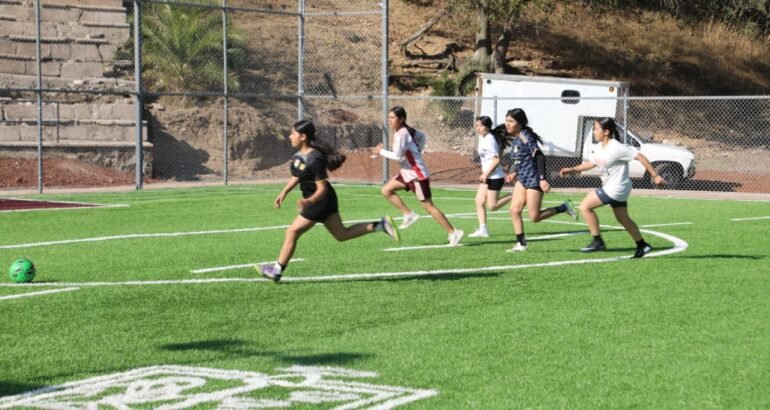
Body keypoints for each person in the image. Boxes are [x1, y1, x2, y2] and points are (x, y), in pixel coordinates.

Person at [258, 120, 400, 283]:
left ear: (303, 136)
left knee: (292, 232)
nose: (290, 137)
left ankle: (276, 271)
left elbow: (322, 188)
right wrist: (284, 192)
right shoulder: (298, 157)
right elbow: (297, 175)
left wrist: (309, 201)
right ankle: (381, 225)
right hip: (322, 201)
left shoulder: (315, 158)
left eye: (293, 134)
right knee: (341, 234)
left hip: (320, 201)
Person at [559, 117, 665, 258]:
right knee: (623, 219)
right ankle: (642, 245)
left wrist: (655, 175)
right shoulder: (599, 147)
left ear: (606, 131)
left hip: (617, 188)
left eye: (596, 129)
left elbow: (640, 157)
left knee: (585, 206)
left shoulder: (616, 147)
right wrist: (572, 169)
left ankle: (597, 241)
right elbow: (591, 164)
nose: (594, 132)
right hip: (615, 188)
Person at [373, 106, 464, 246]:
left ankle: (453, 232)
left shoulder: (402, 133)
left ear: (401, 119)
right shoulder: (403, 132)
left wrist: (381, 151)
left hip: (417, 175)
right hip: (406, 173)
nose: (389, 120)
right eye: (388, 117)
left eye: (392, 118)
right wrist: (417, 151)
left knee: (428, 206)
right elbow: (422, 136)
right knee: (386, 190)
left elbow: (397, 156)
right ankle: (409, 215)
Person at [501, 108, 577, 252]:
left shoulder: (525, 136)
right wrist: (514, 173)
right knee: (514, 210)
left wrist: (542, 179)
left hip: (534, 179)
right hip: (522, 180)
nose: (507, 124)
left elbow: (539, 156)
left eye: (511, 121)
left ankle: (564, 207)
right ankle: (521, 244)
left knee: (534, 217)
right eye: (506, 121)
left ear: (520, 123)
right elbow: (523, 160)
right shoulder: (516, 138)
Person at [468, 116, 512, 238]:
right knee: (479, 201)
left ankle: (517, 194)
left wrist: (486, 173)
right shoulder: (485, 137)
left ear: (487, 127)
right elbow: (500, 152)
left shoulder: (490, 139)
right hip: (487, 176)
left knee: (492, 206)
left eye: (480, 126)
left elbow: (496, 160)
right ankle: (483, 230)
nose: (478, 128)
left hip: (495, 177)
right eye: (476, 126)